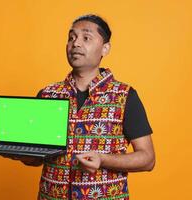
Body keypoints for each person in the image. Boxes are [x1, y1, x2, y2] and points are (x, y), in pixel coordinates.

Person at [11, 14, 155, 200]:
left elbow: (147, 159)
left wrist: (103, 160)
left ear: (105, 48)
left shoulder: (124, 96)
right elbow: (36, 160)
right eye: (71, 37)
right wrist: (20, 153)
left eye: (86, 37)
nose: (76, 43)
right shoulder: (48, 94)